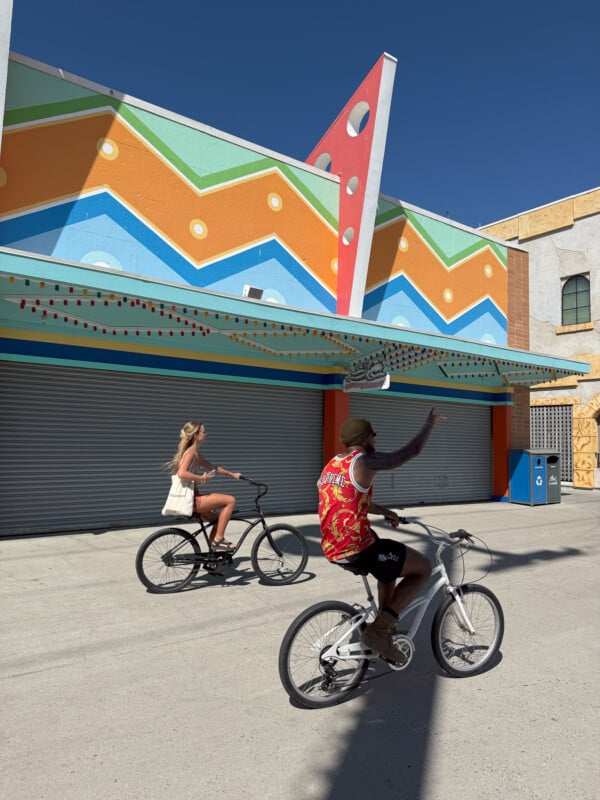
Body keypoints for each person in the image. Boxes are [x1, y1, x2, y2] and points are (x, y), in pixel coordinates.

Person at [317, 408, 445, 664]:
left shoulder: (333, 464)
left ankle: (386, 631)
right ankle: (377, 632)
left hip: (333, 547)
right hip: (357, 547)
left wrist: (385, 511)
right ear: (364, 439)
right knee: (422, 567)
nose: (375, 442)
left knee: (388, 568)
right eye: (373, 438)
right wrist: (428, 424)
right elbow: (409, 453)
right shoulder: (363, 461)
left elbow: (350, 500)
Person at [165, 421, 242, 551]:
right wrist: (201, 478)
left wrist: (232, 474)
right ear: (195, 435)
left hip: (194, 498)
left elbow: (213, 468)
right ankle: (218, 540)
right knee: (230, 500)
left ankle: (213, 560)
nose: (206, 434)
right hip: (193, 500)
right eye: (204, 432)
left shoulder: (195, 454)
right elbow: (182, 473)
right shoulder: (190, 453)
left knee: (218, 521)